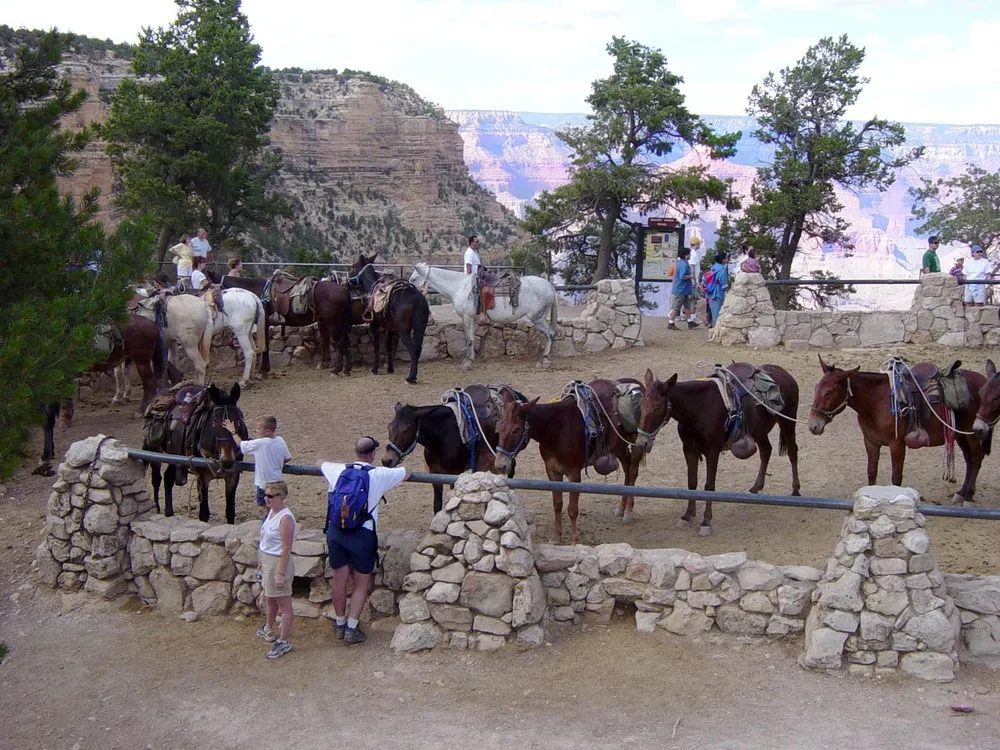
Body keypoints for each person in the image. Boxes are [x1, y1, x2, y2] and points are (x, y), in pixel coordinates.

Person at [319, 436, 411, 645]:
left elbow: (319, 463)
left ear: (356, 452)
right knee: (361, 584)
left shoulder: (338, 470)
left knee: (339, 580)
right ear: (372, 455)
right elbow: (407, 472)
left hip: (336, 531)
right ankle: (352, 628)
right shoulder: (378, 475)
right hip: (362, 534)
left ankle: (340, 623)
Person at [255, 481, 296, 659]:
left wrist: (280, 573)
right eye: (266, 495)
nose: (266, 499)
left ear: (281, 497)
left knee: (284, 604)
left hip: (279, 563)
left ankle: (284, 640)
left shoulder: (286, 518)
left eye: (271, 496)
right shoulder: (271, 512)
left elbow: (286, 548)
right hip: (268, 560)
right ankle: (268, 628)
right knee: (270, 598)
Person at [224, 415, 292, 508]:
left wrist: (232, 431)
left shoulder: (260, 443)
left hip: (264, 483)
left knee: (267, 508)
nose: (256, 431)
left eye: (259, 429)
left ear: (267, 431)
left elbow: (241, 444)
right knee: (275, 506)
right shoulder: (280, 440)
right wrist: (276, 462)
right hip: (278, 481)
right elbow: (288, 458)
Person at [667, 247, 698, 330]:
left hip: (684, 289)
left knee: (687, 306)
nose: (690, 255)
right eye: (689, 254)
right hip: (681, 289)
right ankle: (671, 322)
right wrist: (691, 276)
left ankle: (689, 321)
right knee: (676, 307)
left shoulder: (680, 262)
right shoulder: (683, 264)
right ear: (686, 255)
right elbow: (682, 276)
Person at [706, 251, 731, 328]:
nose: (728, 259)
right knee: (717, 314)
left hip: (710, 292)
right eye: (727, 258)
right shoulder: (722, 270)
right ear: (723, 259)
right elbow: (724, 285)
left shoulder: (713, 267)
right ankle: (715, 330)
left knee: (713, 313)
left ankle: (712, 325)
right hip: (718, 293)